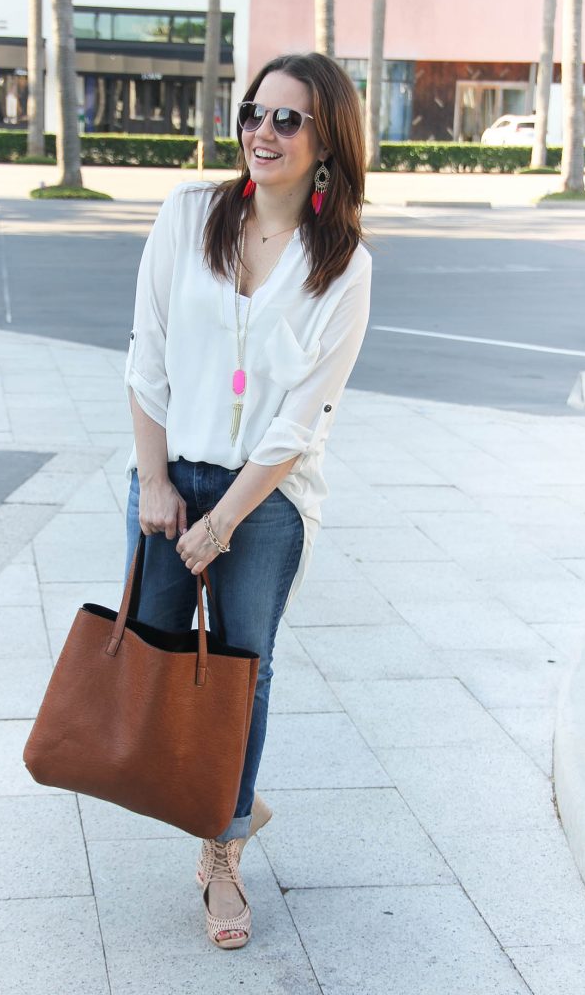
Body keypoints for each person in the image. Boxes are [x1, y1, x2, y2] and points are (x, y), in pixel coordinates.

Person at [123, 51, 372, 950]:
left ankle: (223, 853)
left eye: (287, 120)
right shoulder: (190, 214)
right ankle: (240, 798)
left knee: (240, 670)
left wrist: (225, 520)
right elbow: (146, 355)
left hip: (264, 501)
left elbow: (299, 420)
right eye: (252, 114)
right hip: (168, 475)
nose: (261, 133)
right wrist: (154, 482)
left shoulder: (341, 265)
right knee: (146, 664)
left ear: (327, 141)